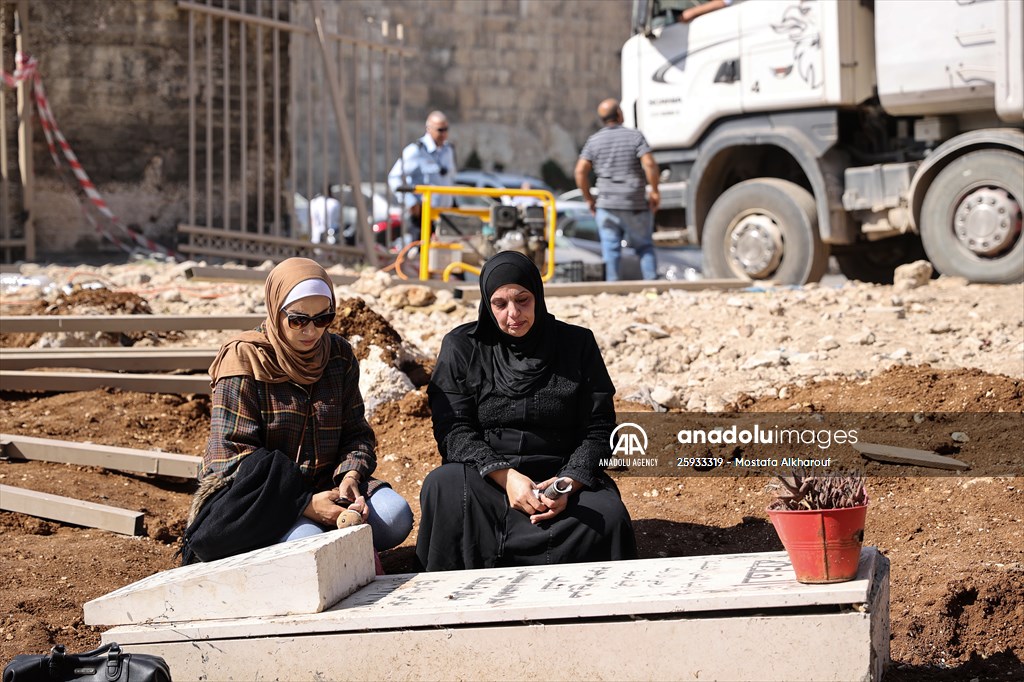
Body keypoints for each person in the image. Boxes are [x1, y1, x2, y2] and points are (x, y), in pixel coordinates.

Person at [181, 257, 413, 565]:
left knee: (395, 516)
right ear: (276, 312)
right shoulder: (244, 359)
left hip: (327, 486)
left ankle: (323, 533)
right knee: (311, 545)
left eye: (323, 318)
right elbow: (231, 456)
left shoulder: (338, 355)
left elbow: (357, 433)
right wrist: (304, 503)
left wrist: (350, 476)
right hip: (262, 497)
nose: (312, 331)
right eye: (298, 320)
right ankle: (309, 533)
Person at [416, 251, 637, 571]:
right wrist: (506, 478)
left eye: (523, 300)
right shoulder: (463, 346)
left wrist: (567, 482)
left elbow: (600, 429)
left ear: (538, 295)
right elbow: (454, 431)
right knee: (442, 486)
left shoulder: (576, 344)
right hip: (488, 479)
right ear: (486, 304)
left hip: (561, 475)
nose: (513, 314)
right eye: (500, 304)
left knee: (609, 516)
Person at [574, 98, 661, 281]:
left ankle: (612, 290)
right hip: (634, 203)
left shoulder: (594, 141)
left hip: (606, 205)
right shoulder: (635, 136)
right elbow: (650, 165)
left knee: (610, 250)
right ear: (620, 114)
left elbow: (580, 171)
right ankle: (653, 288)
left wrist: (589, 198)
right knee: (644, 247)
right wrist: (654, 191)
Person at [387, 111, 457, 247]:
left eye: (446, 129)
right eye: (440, 130)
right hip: (423, 217)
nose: (444, 134)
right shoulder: (415, 151)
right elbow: (394, 178)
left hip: (445, 216)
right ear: (429, 129)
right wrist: (411, 202)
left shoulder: (448, 150)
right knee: (420, 257)